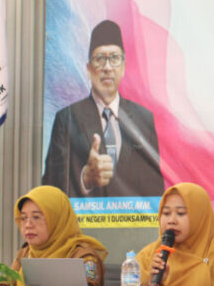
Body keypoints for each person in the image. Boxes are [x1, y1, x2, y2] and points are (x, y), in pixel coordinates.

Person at [42, 19, 164, 197]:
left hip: (132, 216)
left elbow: (155, 190)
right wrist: (86, 178)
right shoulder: (67, 118)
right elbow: (50, 186)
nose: (107, 67)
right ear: (88, 69)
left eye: (114, 58)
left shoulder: (143, 120)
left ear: (123, 68)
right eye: (100, 59)